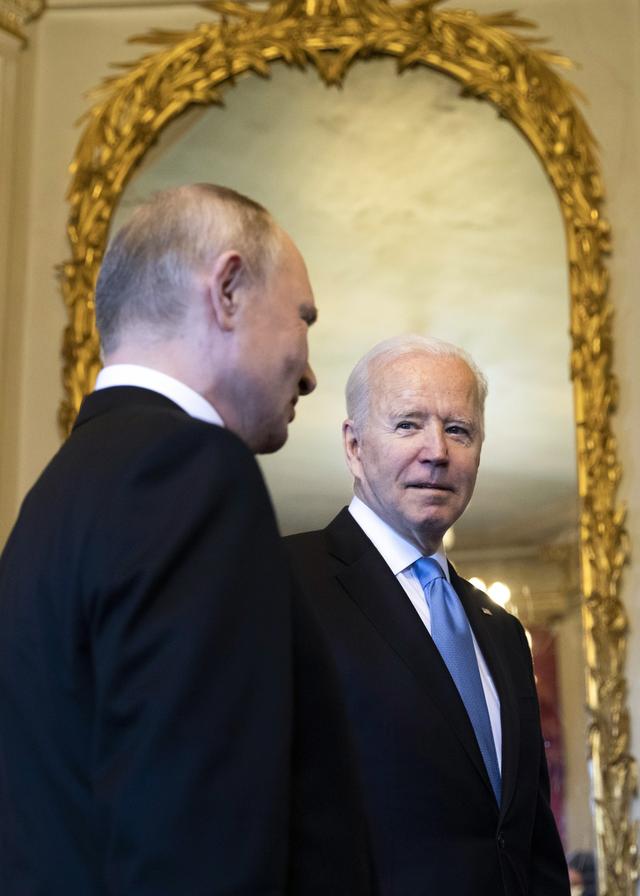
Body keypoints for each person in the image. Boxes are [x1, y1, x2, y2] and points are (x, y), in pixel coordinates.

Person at [0, 184, 372, 895]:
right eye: (304, 320)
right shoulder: (193, 472)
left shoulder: (52, 500)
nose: (311, 371)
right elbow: (197, 847)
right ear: (227, 289)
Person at [285, 334, 571, 895]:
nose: (437, 450)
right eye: (408, 424)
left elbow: (528, 838)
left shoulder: (504, 630)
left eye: (458, 429)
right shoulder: (283, 581)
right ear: (354, 445)